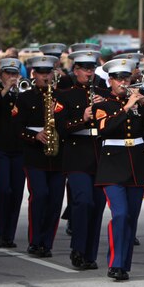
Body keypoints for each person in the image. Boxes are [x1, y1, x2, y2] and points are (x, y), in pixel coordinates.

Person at [93, 58, 144, 280]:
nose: (123, 82)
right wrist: (127, 107)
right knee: (120, 214)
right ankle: (115, 263)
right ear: (110, 81)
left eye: (126, 78)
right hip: (112, 166)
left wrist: (140, 105)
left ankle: (123, 265)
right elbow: (105, 129)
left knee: (131, 217)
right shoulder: (103, 105)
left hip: (137, 165)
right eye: (119, 79)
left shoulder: (140, 103)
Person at [55, 49, 108, 269]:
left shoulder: (104, 93)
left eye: (92, 68)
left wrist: (107, 105)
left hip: (100, 155)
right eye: (85, 68)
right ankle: (77, 250)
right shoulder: (65, 95)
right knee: (83, 201)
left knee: (97, 205)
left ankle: (89, 254)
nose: (89, 72)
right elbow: (61, 128)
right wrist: (82, 118)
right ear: (76, 70)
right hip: (77, 156)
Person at [17, 55, 65, 258]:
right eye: (41, 73)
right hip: (35, 154)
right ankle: (35, 240)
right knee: (40, 195)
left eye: (49, 72)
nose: (45, 77)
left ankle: (47, 242)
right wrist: (34, 135)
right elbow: (16, 128)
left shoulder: (61, 96)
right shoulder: (25, 97)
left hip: (58, 154)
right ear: (33, 74)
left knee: (55, 201)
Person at [0, 58, 26, 249]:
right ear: (1, 75)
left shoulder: (23, 93)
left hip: (19, 148)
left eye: (14, 74)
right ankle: (0, 233)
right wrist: (5, 89)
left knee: (16, 193)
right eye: (8, 74)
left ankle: (9, 235)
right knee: (3, 190)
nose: (12, 77)